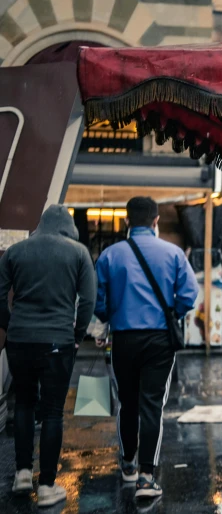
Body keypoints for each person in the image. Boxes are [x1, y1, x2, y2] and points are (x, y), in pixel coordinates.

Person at [95, 197, 198, 498]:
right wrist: (172, 312)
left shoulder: (109, 255)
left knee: (127, 404)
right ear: (155, 222)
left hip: (123, 338)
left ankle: (127, 464)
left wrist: (110, 317)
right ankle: (146, 477)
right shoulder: (173, 253)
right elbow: (189, 295)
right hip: (159, 339)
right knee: (152, 405)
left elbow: (99, 302)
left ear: (127, 221)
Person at [0, 205, 96, 507]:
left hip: (19, 340)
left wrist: (11, 325)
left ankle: (23, 474)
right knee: (53, 411)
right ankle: (46, 486)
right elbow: (88, 300)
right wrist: (77, 335)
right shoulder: (78, 253)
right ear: (68, 228)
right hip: (58, 341)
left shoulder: (15, 252)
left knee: (25, 404)